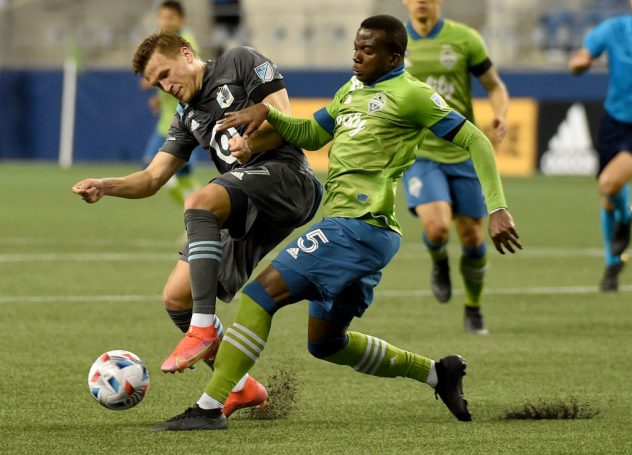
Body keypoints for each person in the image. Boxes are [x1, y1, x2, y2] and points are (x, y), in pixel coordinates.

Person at [151, 15, 522, 431]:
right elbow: (310, 134)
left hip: (358, 225)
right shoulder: (351, 90)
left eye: (368, 50)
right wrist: (263, 115)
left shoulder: (412, 95)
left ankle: (209, 407)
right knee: (326, 343)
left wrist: (497, 207)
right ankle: (439, 373)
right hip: (357, 230)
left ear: (394, 56)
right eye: (355, 48)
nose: (357, 56)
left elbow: (474, 139)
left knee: (258, 298)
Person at [72, 31, 322, 416]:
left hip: (289, 179)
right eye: (158, 83)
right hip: (248, 201)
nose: (166, 86)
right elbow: (153, 178)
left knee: (199, 200)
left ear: (187, 54)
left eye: (167, 74)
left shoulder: (239, 62)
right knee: (176, 297)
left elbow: (285, 118)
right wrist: (105, 186)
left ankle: (203, 328)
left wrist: (253, 144)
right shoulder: (187, 116)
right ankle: (240, 388)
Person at [400, 0, 510, 334]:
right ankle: (438, 262)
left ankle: (473, 307)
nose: (421, 2)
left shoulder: (465, 39)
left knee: (473, 237)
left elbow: (494, 85)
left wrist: (500, 115)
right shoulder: (394, 44)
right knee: (437, 229)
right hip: (421, 154)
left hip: (462, 152)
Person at [569, 6, 632, 292]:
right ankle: (612, 262)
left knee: (609, 182)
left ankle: (627, 217)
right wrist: (580, 62)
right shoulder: (614, 28)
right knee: (608, 197)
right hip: (613, 120)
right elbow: (582, 56)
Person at [141, 1, 202, 205]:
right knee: (175, 173)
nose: (164, 22)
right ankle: (200, 210)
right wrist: (159, 98)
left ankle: (199, 210)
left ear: (181, 20)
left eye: (170, 18)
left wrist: (153, 80)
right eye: (161, 17)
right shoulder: (163, 42)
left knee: (156, 169)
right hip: (166, 122)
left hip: (181, 122)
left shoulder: (185, 44)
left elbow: (189, 80)